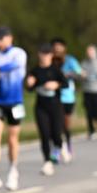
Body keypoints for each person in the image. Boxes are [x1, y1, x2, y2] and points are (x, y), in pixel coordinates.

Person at [0, 27, 27, 191]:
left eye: (1, 39)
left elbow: (14, 66)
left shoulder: (18, 53)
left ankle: (13, 170)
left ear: (9, 38)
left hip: (15, 101)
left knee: (12, 139)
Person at [27, 44, 66, 176]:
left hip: (55, 105)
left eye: (47, 54)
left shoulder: (55, 70)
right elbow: (29, 88)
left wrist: (56, 84)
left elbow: (65, 83)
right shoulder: (35, 71)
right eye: (42, 54)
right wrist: (29, 83)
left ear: (51, 55)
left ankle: (60, 145)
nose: (44, 57)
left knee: (56, 133)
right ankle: (47, 162)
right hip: (41, 106)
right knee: (44, 134)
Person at [52, 38, 81, 161]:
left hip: (68, 97)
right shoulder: (50, 61)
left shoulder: (70, 60)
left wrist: (70, 75)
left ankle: (68, 145)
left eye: (60, 47)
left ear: (64, 48)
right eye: (55, 47)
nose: (57, 50)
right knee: (55, 125)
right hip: (53, 96)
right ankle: (57, 149)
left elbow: (80, 74)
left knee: (65, 124)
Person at [82, 44, 97, 140]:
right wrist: (82, 75)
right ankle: (91, 130)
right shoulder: (84, 63)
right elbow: (80, 74)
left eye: (91, 51)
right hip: (87, 89)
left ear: (95, 52)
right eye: (88, 52)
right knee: (88, 111)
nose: (89, 54)